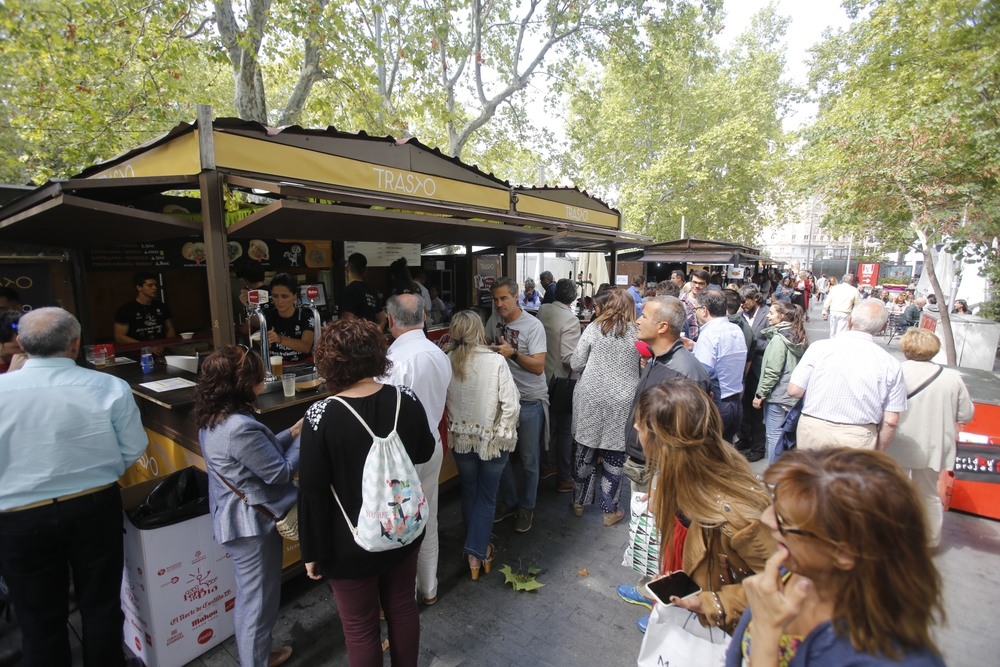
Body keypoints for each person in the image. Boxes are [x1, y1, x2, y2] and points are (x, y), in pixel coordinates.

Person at [0, 308, 148, 667]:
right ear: (76, 344)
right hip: (93, 505)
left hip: (17, 518)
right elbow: (134, 447)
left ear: (20, 343)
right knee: (101, 606)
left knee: (38, 620)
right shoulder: (109, 386)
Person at [298, 319, 435, 667]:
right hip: (403, 528)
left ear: (328, 361)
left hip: (348, 543)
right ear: (378, 354)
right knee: (403, 607)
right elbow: (424, 451)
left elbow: (312, 491)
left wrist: (311, 551)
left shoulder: (320, 416)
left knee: (360, 628)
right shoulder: (405, 398)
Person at [730, 448, 947, 667]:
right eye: (773, 504)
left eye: (784, 519)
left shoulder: (890, 658)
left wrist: (766, 633)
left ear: (845, 553)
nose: (767, 520)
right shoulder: (794, 565)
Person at [636, 380, 776, 634]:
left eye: (640, 422)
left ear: (663, 442)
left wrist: (712, 604)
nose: (635, 427)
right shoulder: (684, 473)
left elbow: (784, 587)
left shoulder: (738, 517)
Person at [193, 346, 300, 667]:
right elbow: (279, 471)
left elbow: (253, 457)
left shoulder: (214, 419)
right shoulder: (239, 427)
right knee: (258, 601)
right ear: (241, 383)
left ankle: (258, 655)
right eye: (257, 376)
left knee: (252, 596)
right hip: (250, 525)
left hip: (235, 520)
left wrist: (292, 432)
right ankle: (256, 660)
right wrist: (307, 438)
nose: (263, 380)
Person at [381, 294, 452, 605]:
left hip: (401, 458)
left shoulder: (394, 362)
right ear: (424, 318)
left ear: (391, 321)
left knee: (401, 527)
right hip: (432, 447)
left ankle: (403, 597)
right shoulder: (438, 354)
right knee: (429, 518)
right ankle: (429, 588)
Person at [444, 311, 520, 579]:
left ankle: (474, 551)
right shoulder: (495, 361)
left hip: (461, 439)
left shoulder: (447, 360)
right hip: (492, 440)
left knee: (470, 492)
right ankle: (478, 552)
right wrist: (503, 434)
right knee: (487, 496)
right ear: (478, 331)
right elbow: (512, 405)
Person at [886, 329, 974, 548]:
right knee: (928, 493)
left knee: (892, 490)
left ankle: (889, 537)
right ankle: (930, 541)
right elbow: (966, 414)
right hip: (934, 444)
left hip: (898, 442)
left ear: (905, 348)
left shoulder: (895, 371)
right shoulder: (952, 378)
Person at [789, 300, 907, 451]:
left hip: (814, 428)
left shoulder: (819, 348)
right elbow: (891, 420)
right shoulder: (891, 364)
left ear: (850, 320)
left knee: (809, 474)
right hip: (858, 434)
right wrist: (879, 451)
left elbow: (795, 390)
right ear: (883, 327)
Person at [570, 289, 641, 525]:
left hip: (591, 397)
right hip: (622, 401)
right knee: (614, 456)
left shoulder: (593, 328)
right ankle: (610, 511)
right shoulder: (637, 334)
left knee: (585, 452)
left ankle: (579, 503)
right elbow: (643, 368)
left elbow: (577, 362)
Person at [486, 278, 548, 533]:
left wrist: (513, 353)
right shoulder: (493, 321)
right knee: (500, 455)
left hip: (530, 399)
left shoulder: (533, 326)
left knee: (529, 459)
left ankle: (527, 507)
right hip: (503, 400)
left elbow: (538, 367)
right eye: (496, 299)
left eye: (504, 298)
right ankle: (510, 502)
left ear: (516, 297)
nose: (499, 304)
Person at [536, 279, 582, 492]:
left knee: (547, 427)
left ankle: (545, 466)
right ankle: (564, 477)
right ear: (572, 298)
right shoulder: (570, 320)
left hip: (541, 377)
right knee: (564, 431)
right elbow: (569, 359)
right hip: (561, 382)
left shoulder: (543, 310)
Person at [753, 301, 808, 464]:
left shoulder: (779, 339)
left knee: (774, 436)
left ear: (782, 316)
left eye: (771, 313)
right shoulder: (799, 334)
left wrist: (760, 394)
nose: (768, 316)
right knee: (788, 437)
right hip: (793, 394)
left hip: (777, 395)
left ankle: (773, 474)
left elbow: (772, 370)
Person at [693, 289, 747, 443]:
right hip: (735, 402)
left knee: (710, 457)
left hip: (717, 404)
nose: (695, 312)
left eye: (696, 308)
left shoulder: (709, 334)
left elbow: (704, 374)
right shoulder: (736, 329)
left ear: (704, 310)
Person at [736, 285, 771, 461]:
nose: (742, 305)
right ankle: (744, 438)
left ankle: (758, 447)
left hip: (758, 369)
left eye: (745, 301)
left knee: (757, 411)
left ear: (755, 299)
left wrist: (752, 343)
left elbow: (772, 343)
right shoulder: (740, 315)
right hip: (743, 369)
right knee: (743, 407)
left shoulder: (768, 314)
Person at [114, 271, 176, 349]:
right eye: (150, 285)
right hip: (138, 351)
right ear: (139, 287)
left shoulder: (161, 306)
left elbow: (170, 328)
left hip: (162, 348)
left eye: (155, 285)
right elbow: (120, 337)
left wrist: (168, 344)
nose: (155, 288)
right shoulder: (126, 309)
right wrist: (147, 347)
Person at [264, 273, 315, 364]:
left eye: (284, 296)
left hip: (303, 366)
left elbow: (306, 347)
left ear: (295, 295)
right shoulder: (267, 316)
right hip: (275, 367)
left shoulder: (306, 317)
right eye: (275, 296)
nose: (279, 301)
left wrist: (279, 339)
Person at [340, 252, 386, 327]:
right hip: (370, 337)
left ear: (347, 269)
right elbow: (383, 320)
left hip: (356, 338)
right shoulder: (370, 291)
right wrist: (374, 334)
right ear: (365, 271)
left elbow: (347, 323)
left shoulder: (348, 291)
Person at [821, 273, 861, 338]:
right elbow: (857, 304)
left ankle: (832, 342)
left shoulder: (835, 288)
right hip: (845, 312)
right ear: (851, 281)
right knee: (841, 332)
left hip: (834, 311)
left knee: (833, 331)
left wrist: (824, 310)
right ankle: (838, 345)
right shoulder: (854, 290)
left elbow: (828, 299)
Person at [681, 269, 709, 340]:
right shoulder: (680, 302)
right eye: (694, 282)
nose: (697, 286)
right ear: (690, 282)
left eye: (701, 283)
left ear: (707, 285)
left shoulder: (709, 303)